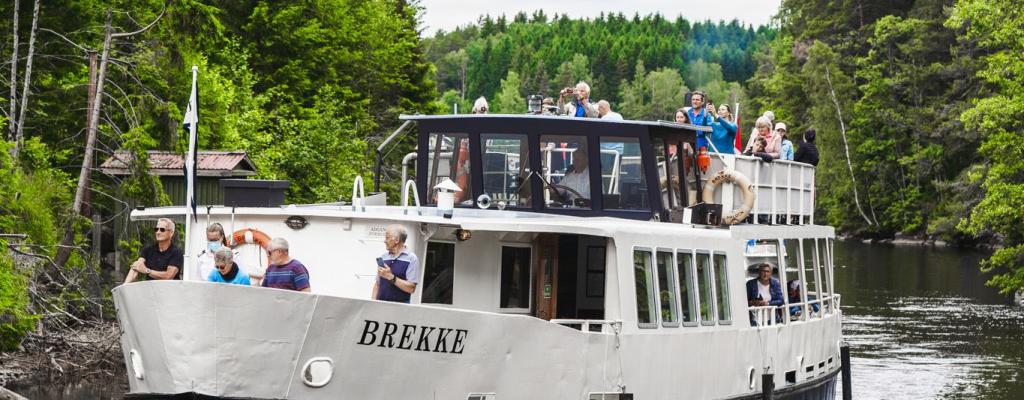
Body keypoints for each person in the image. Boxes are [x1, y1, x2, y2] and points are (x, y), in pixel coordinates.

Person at [125, 218, 184, 283]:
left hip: (169, 291)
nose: (158, 232)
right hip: (151, 290)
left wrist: (147, 271)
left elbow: (168, 276)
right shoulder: (148, 250)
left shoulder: (177, 252)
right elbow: (137, 266)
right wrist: (124, 286)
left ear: (171, 233)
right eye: (156, 229)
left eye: (162, 229)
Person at [373, 225, 420, 303]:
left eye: (387, 238)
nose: (384, 241)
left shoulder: (412, 259)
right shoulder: (383, 257)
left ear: (397, 240)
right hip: (380, 306)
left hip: (400, 309)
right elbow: (378, 283)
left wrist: (390, 276)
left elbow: (411, 288)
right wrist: (372, 303)